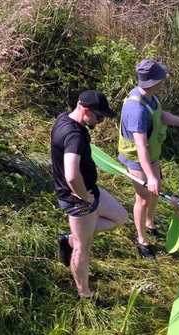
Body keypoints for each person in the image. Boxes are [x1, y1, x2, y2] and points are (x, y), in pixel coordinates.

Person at [51, 90, 129, 306]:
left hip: (89, 191)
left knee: (120, 217)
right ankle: (84, 295)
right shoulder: (74, 136)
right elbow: (71, 174)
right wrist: (84, 196)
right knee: (83, 248)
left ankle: (69, 239)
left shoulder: (63, 118)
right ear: (85, 110)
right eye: (99, 116)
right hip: (79, 200)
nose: (101, 121)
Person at [118, 59, 179, 258]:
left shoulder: (151, 97)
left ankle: (149, 222)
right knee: (143, 197)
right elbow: (140, 146)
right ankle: (141, 239)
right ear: (153, 81)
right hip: (136, 157)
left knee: (156, 189)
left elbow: (159, 115)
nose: (164, 79)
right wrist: (149, 177)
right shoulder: (136, 110)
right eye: (161, 77)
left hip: (151, 153)